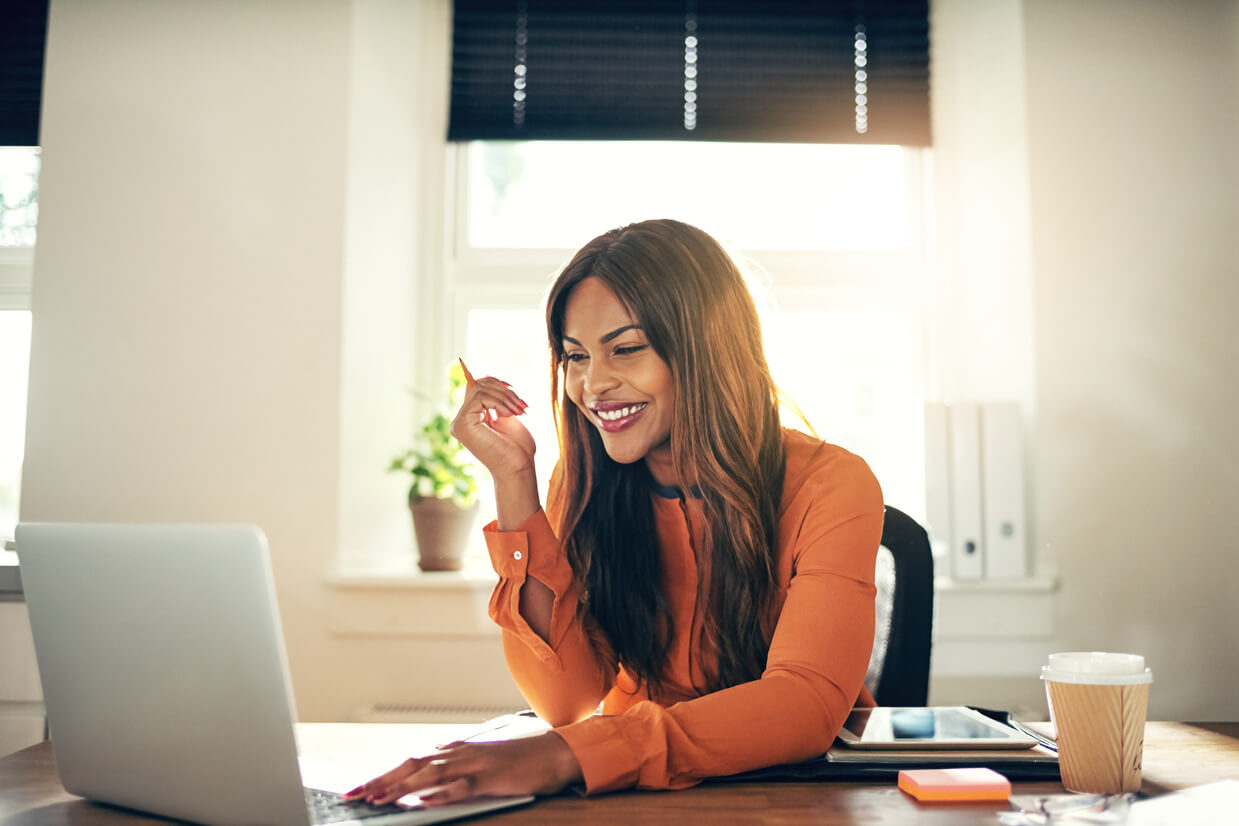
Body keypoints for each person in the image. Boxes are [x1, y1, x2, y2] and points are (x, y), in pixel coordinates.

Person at [348, 218, 884, 806]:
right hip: (633, 795)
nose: (592, 384)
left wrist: (569, 755)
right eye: (576, 357)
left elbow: (803, 702)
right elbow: (565, 700)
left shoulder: (832, 484)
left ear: (707, 348)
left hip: (793, 797)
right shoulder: (581, 482)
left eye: (625, 349)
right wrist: (514, 481)